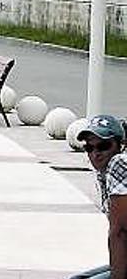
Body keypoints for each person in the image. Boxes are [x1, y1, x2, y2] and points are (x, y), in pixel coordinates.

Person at [71, 114, 127, 279]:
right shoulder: (104, 173)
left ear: (120, 145)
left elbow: (119, 231)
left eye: (103, 146)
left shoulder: (119, 163)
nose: (95, 153)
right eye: (89, 148)